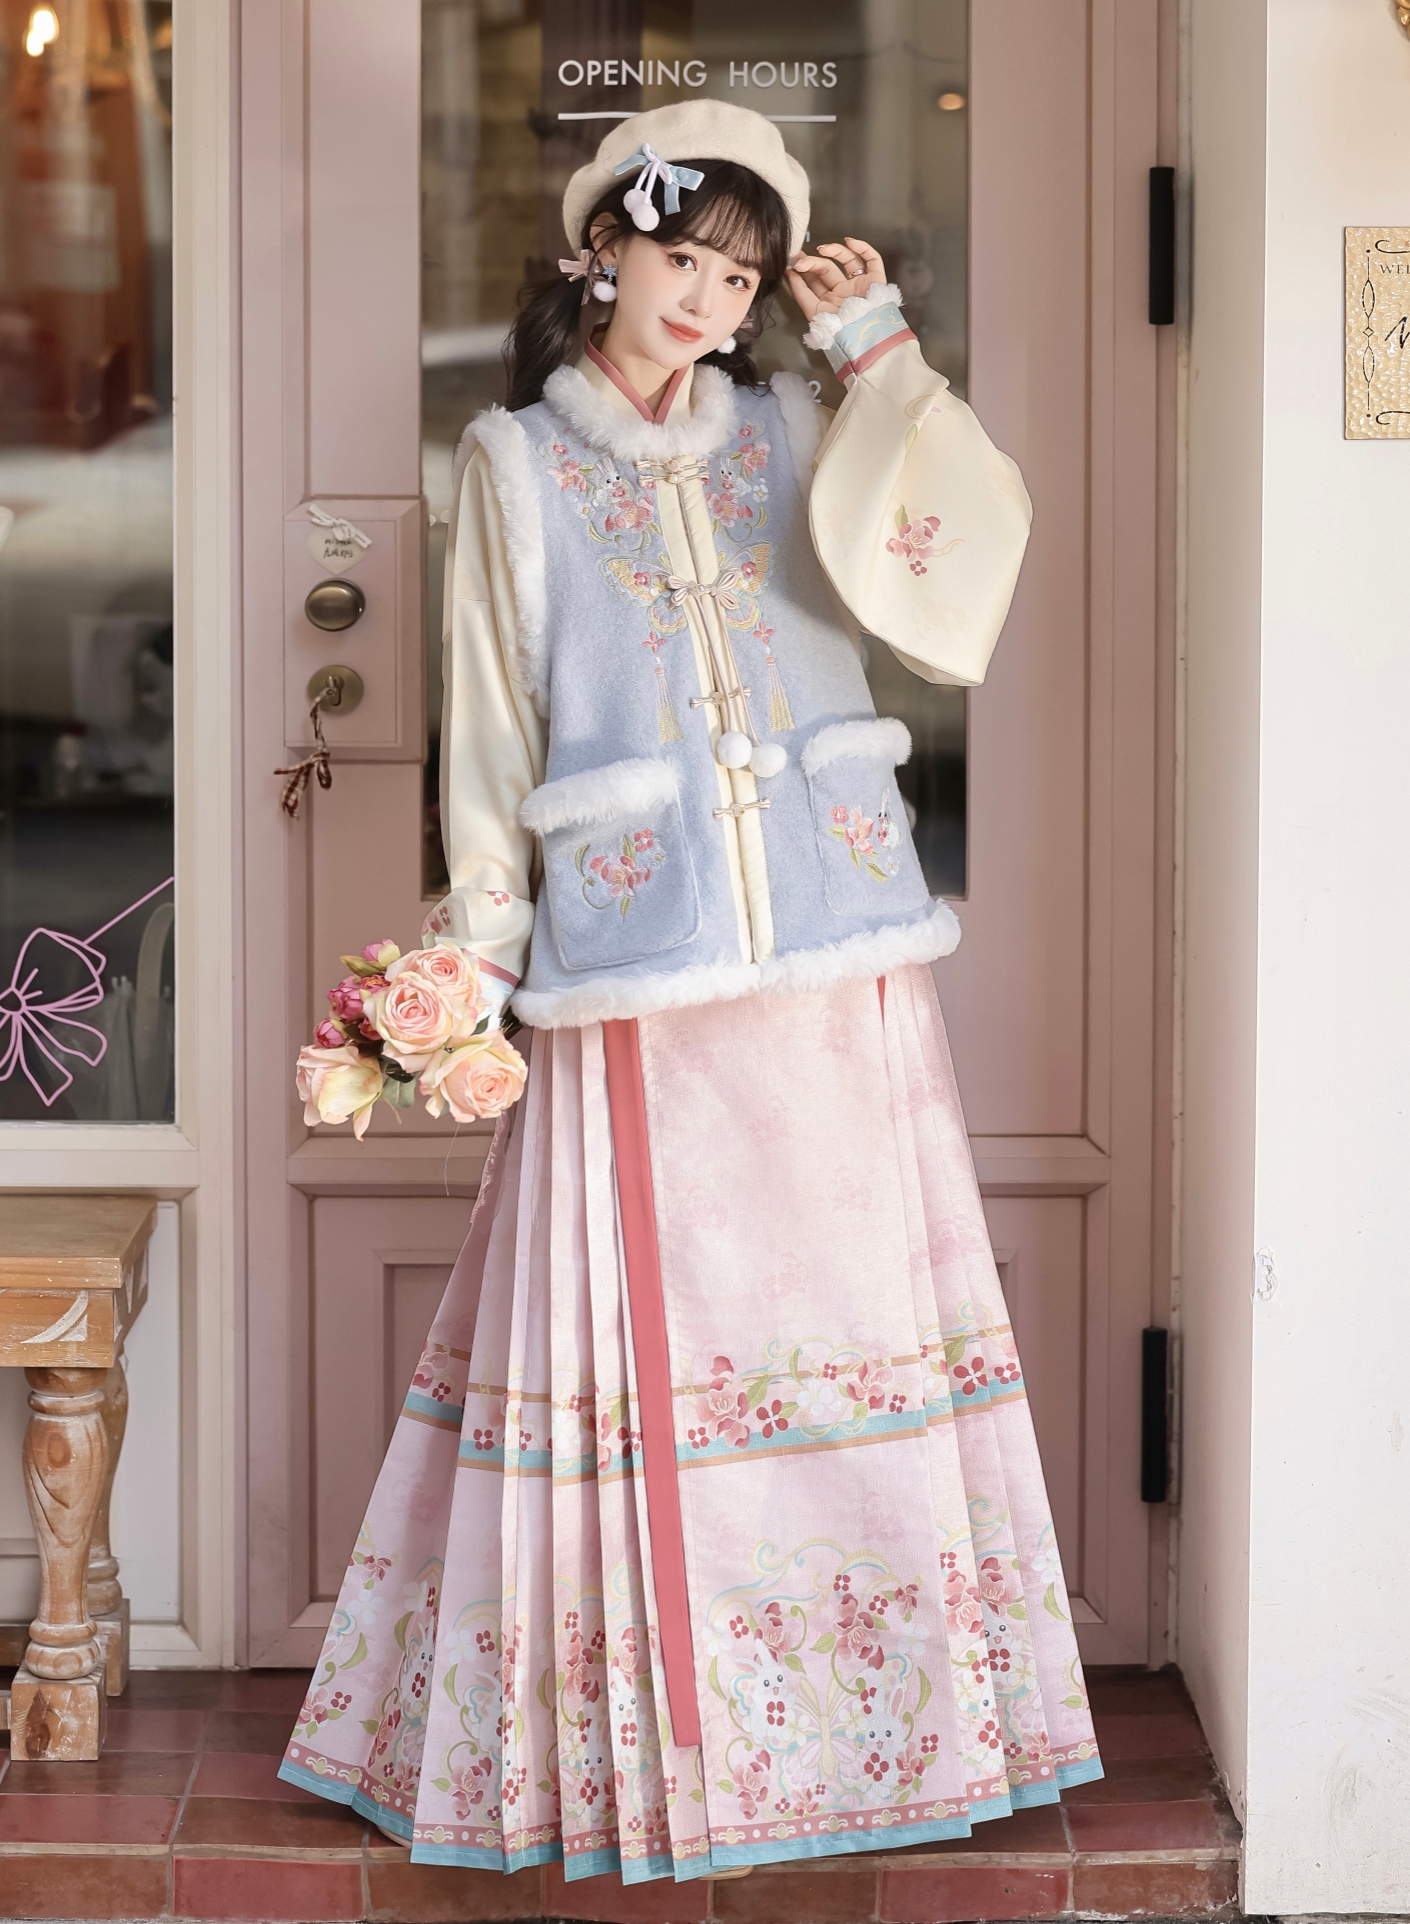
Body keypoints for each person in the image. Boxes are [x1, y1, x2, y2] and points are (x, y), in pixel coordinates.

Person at [281, 100, 1100, 1884]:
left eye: (741, 280)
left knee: (848, 1317)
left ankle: (865, 1733)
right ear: (605, 249)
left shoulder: (801, 423)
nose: (713, 303)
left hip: (826, 937)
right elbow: (491, 730)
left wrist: (874, 349)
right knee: (643, 1344)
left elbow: (963, 554)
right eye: (684, 261)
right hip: (635, 954)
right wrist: (475, 966)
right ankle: (651, 1750)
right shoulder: (512, 464)